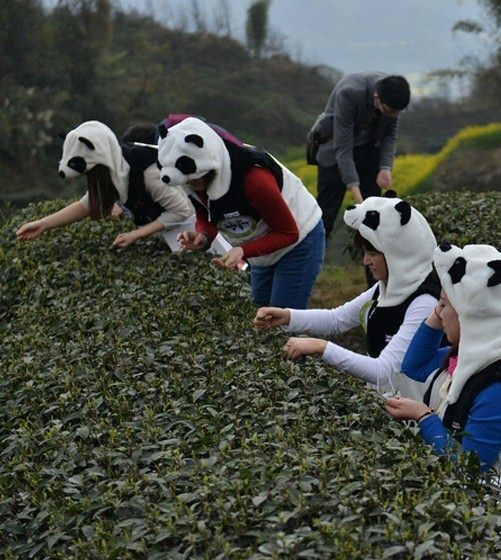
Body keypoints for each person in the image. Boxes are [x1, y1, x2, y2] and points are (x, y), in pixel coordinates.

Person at [384, 244, 501, 560]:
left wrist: (424, 416)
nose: (438, 313)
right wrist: (440, 310)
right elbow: (414, 366)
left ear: (477, 315)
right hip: (499, 516)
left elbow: (468, 468)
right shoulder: (481, 356)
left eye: (445, 306)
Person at [252, 196, 439, 390]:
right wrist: (287, 316)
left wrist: (320, 347)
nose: (366, 261)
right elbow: (338, 318)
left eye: (373, 253)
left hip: (414, 413)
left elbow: (382, 371)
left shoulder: (424, 303)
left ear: (400, 253)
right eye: (365, 252)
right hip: (389, 403)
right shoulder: (385, 287)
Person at [156, 116, 324, 308]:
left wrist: (242, 250)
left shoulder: (255, 179)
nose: (191, 185)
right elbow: (205, 215)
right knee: (260, 309)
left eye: (194, 180)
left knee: (281, 317)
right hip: (260, 249)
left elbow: (289, 233)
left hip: (298, 242)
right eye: (186, 182)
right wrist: (203, 236)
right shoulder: (190, 179)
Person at [15, 120, 194, 248]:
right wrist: (43, 224)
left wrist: (137, 234)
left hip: (191, 233)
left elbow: (181, 210)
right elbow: (85, 205)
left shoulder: (146, 170)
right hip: (167, 239)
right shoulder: (113, 173)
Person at [309, 72, 411, 237]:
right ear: (377, 98)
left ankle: (370, 261)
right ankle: (314, 260)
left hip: (368, 149)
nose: (393, 115)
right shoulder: (349, 93)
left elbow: (389, 134)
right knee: (325, 216)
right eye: (389, 111)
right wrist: (356, 194)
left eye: (397, 113)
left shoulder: (393, 97)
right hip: (334, 148)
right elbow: (343, 147)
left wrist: (385, 167)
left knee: (373, 217)